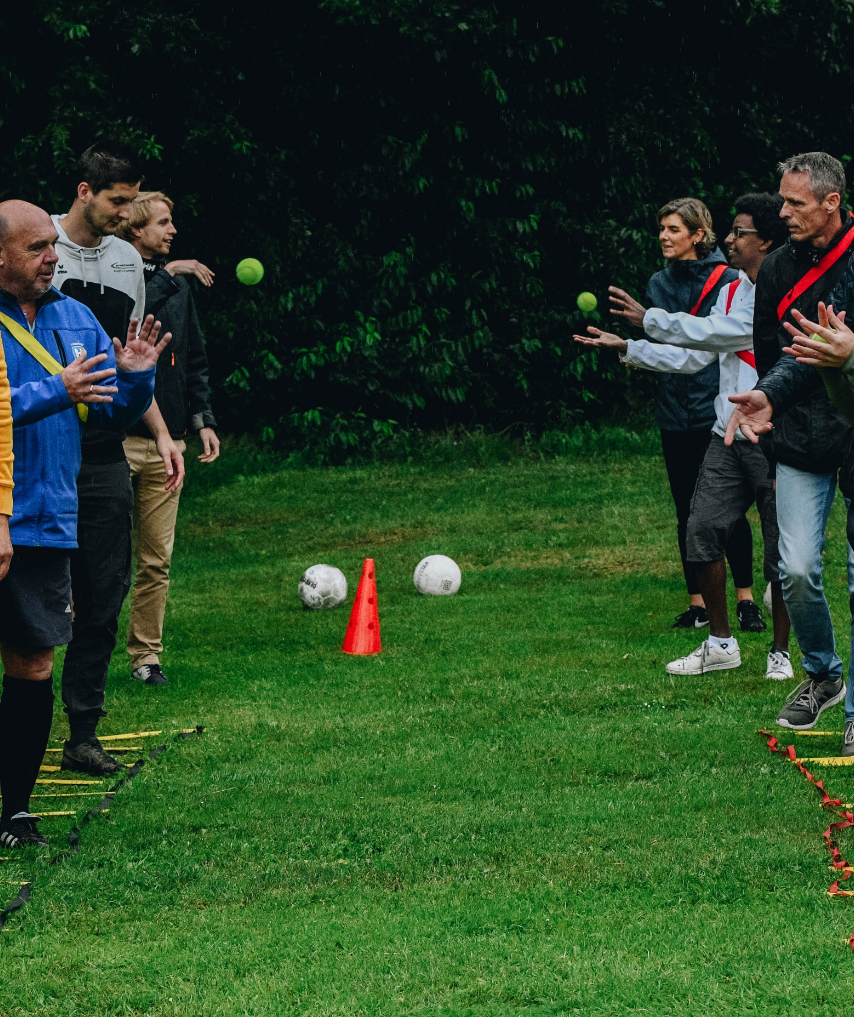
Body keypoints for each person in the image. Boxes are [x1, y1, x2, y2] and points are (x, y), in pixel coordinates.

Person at [0, 199, 168, 847]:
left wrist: (133, 381)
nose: (54, 258)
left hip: (46, 521)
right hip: (0, 513)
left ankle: (15, 811)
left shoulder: (77, 319)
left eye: (54, 245)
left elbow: (105, 414)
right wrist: (56, 390)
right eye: (38, 247)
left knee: (33, 662)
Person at [576, 194, 792, 678]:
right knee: (700, 533)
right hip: (726, 434)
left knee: (783, 552)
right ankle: (720, 644)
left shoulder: (777, 290)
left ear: (767, 241)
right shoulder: (733, 287)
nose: (730, 241)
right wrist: (630, 347)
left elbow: (723, 332)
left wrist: (647, 319)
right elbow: (698, 356)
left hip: (772, 435)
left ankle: (780, 650)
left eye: (740, 233)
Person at [51, 141, 186, 778]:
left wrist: (157, 430)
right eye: (117, 201)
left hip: (103, 450)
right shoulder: (35, 245)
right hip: (35, 442)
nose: (127, 214)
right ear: (85, 193)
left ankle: (82, 733)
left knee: (103, 595)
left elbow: (128, 359)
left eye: (135, 201)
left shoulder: (129, 261)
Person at [724, 152, 854, 753]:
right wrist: (766, 399)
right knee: (796, 569)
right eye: (783, 201)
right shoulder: (774, 269)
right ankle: (823, 674)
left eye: (795, 203)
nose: (783, 212)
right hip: (800, 434)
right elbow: (780, 353)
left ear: (832, 203)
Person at [606, 197, 757, 632]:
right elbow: (677, 352)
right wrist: (629, 348)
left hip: (724, 408)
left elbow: (709, 341)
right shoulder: (658, 282)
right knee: (689, 510)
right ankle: (700, 605)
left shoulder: (731, 281)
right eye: (661, 229)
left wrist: (646, 324)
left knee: (729, 511)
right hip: (675, 408)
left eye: (673, 229)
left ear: (697, 233)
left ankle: (746, 599)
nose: (663, 237)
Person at [115, 191, 219, 683]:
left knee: (156, 560)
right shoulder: (114, 278)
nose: (172, 229)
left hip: (169, 443)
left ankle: (145, 658)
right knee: (102, 559)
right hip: (114, 441)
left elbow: (194, 360)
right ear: (134, 230)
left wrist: (203, 421)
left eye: (172, 221)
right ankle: (71, 645)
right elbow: (127, 321)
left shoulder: (177, 287)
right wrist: (165, 273)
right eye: (162, 222)